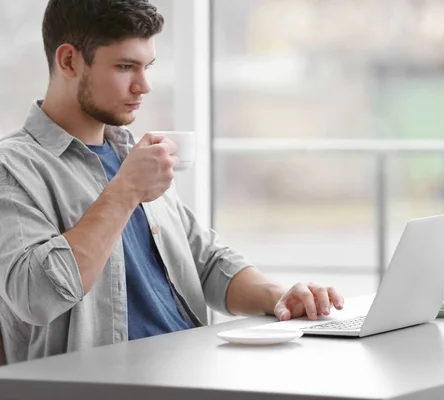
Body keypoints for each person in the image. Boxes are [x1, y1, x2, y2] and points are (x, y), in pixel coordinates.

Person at [0, 0, 344, 364]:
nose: (144, 85)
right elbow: (34, 296)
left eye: (147, 67)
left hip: (192, 369)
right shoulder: (14, 169)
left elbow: (206, 262)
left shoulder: (133, 153)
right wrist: (125, 190)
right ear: (68, 61)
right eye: (124, 66)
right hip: (108, 384)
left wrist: (278, 295)